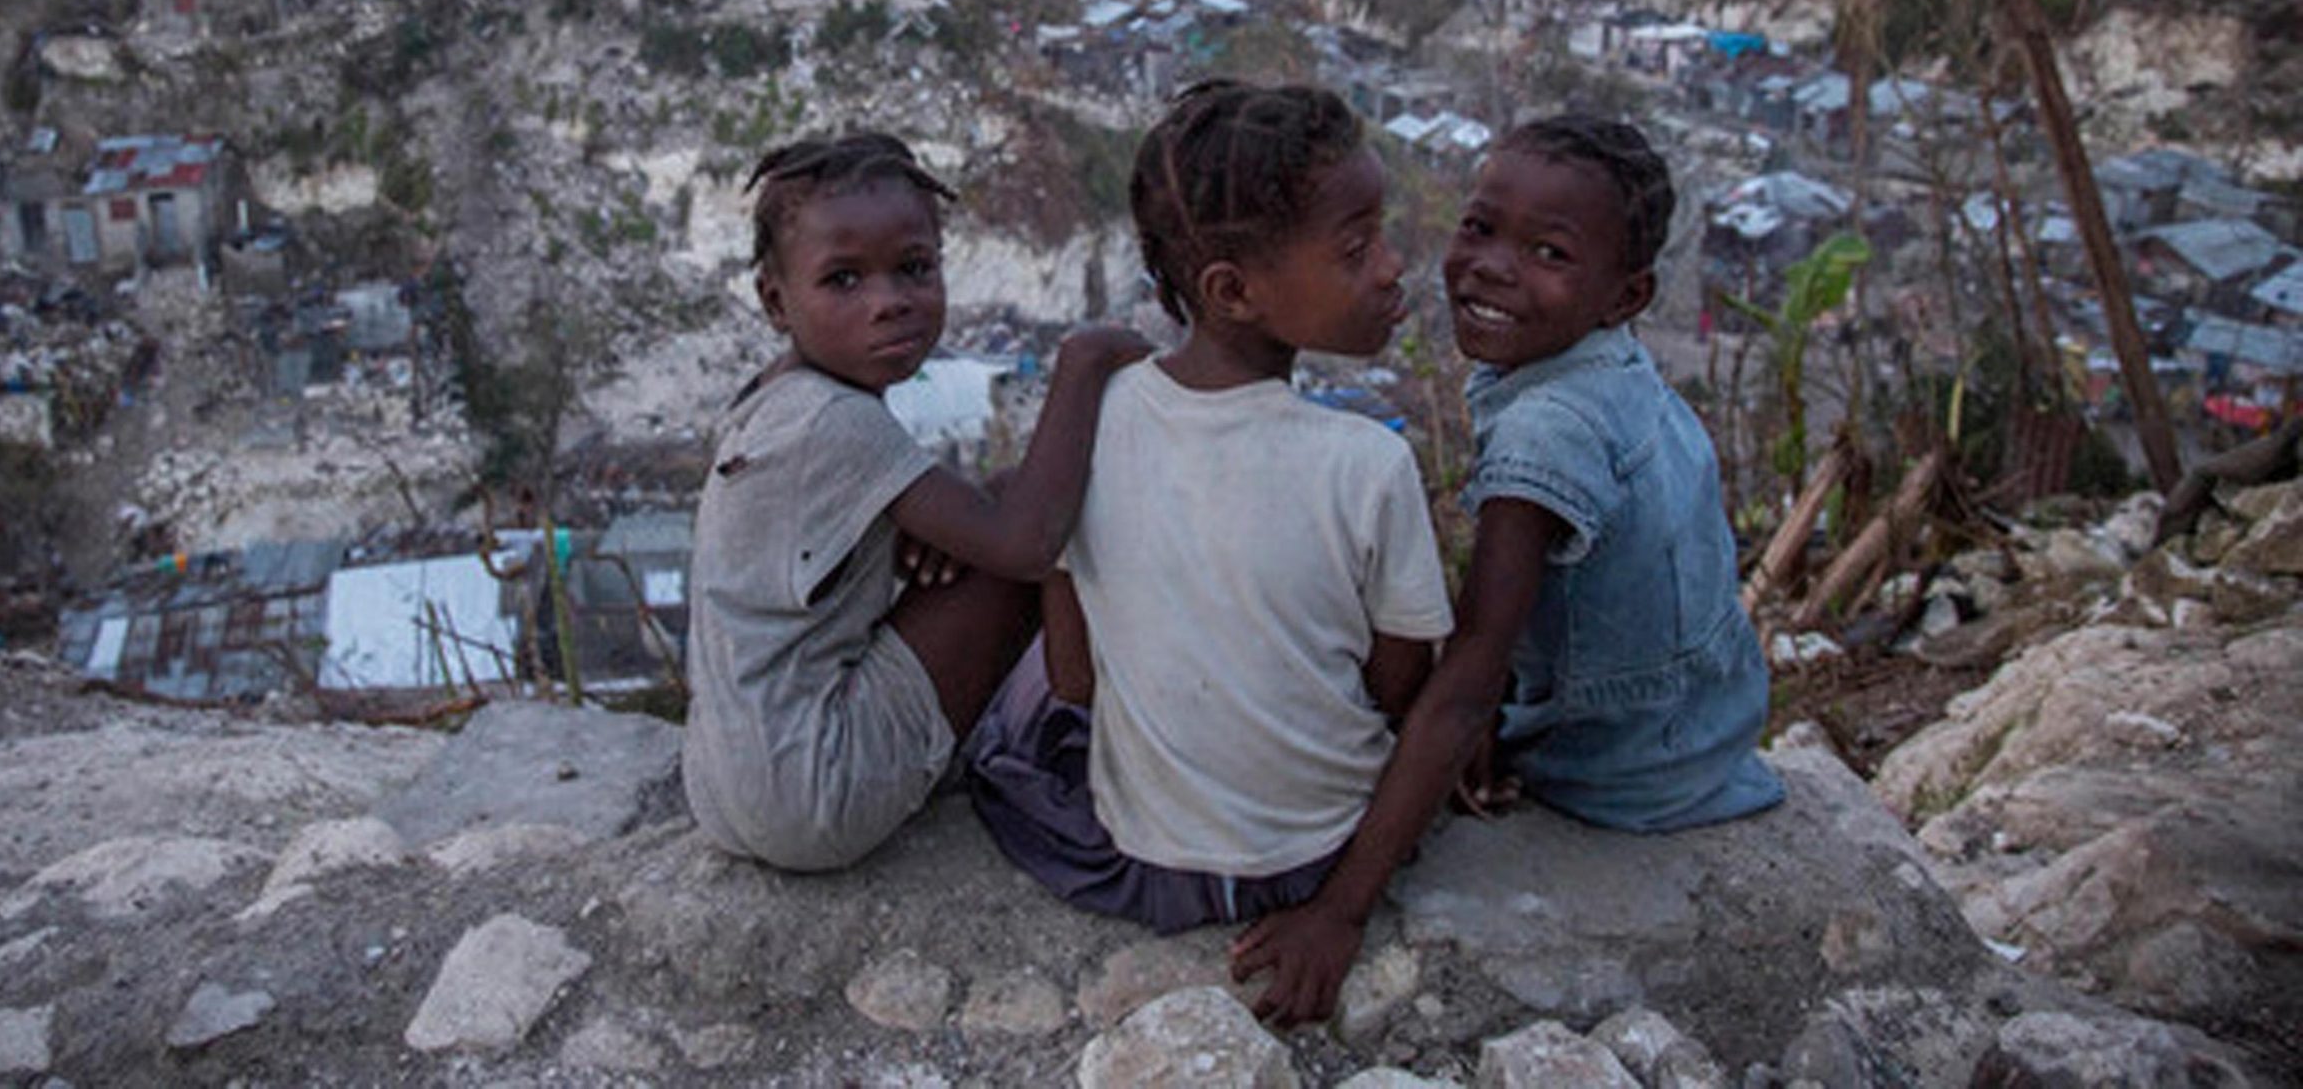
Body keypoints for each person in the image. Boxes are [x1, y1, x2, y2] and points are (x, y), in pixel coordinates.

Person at [1232, 114, 1785, 1024]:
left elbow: (1470, 675)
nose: (1491, 265)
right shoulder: (1617, 374)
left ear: (1624, 293)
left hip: (1617, 765)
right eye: (1480, 228)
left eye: (1549, 252)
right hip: (1705, 725)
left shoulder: (1547, 428)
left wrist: (1340, 910)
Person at [969, 81, 1455, 929]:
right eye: (1355, 248)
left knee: (1015, 729)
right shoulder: (1371, 464)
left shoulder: (1097, 422)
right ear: (1232, 290)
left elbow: (1075, 679)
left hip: (1154, 870)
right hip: (1324, 858)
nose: (1390, 266)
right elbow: (1398, 687)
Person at [681, 131, 1147, 872]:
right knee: (1026, 530)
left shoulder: (773, 397)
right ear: (775, 299)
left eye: (914, 269)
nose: (889, 302)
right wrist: (1082, 363)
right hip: (815, 791)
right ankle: (1078, 735)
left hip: (727, 784)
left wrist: (914, 528)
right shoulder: (840, 421)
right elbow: (1027, 542)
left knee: (993, 506)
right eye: (843, 280)